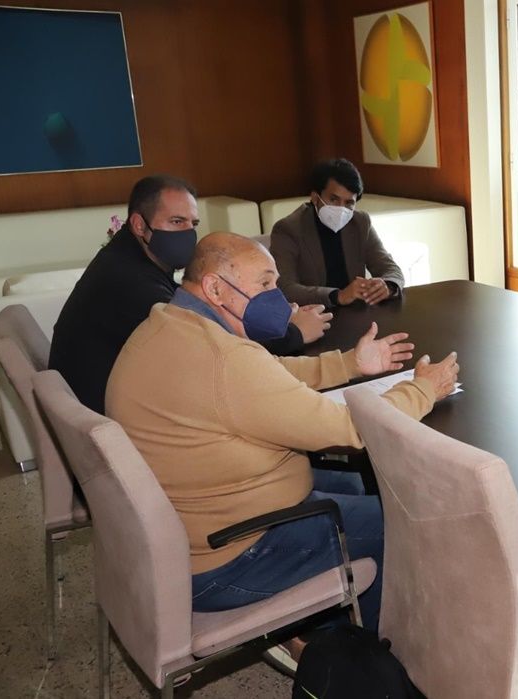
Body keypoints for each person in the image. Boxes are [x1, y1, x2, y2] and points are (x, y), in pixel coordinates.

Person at [106, 232, 460, 634]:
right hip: (228, 555)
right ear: (216, 287)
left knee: (355, 482)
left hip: (194, 528)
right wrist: (423, 390)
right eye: (265, 284)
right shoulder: (223, 359)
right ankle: (366, 656)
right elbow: (350, 430)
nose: (282, 299)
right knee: (400, 519)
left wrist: (348, 365)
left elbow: (265, 373)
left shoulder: (174, 323)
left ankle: (325, 624)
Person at [49, 175, 330, 414]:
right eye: (175, 221)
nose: (187, 233)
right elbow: (213, 349)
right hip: (120, 420)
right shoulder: (130, 282)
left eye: (192, 224)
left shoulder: (128, 258)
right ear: (139, 225)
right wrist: (294, 333)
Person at [270, 158, 404, 308]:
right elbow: (284, 288)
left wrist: (388, 285)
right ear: (315, 197)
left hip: (356, 313)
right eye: (334, 199)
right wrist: (338, 296)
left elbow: (390, 268)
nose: (341, 209)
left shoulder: (360, 222)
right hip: (312, 317)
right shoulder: (288, 229)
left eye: (349, 203)